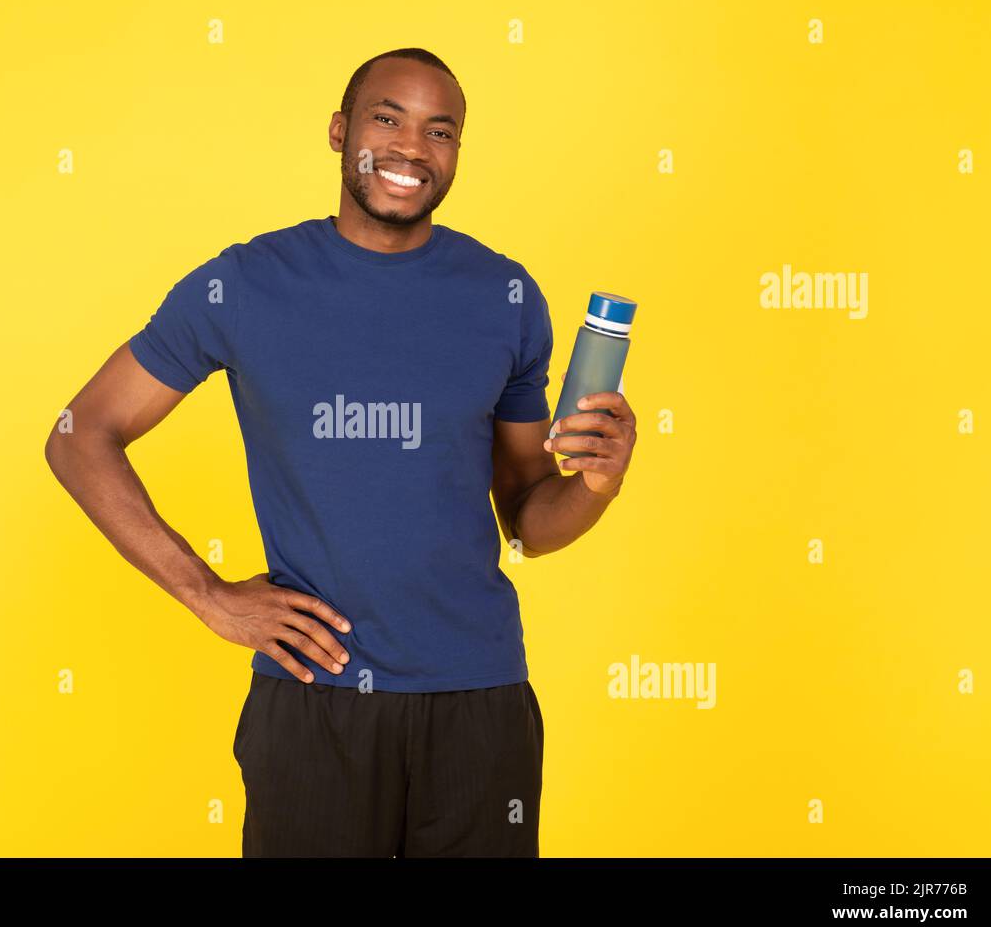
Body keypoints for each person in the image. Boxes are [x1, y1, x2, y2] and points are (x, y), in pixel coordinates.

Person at [44, 47, 637, 857]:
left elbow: (529, 521)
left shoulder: (504, 296)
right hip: (314, 700)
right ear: (340, 131)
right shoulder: (246, 284)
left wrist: (598, 485)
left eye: (440, 130)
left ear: (457, 153)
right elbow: (82, 435)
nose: (410, 147)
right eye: (387, 118)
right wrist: (209, 595)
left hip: (479, 703)